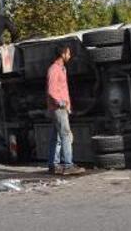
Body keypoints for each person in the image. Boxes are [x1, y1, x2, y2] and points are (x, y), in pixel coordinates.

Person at [46, 44, 85, 175]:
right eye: (68, 53)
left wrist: (68, 105)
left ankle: (53, 165)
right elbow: (52, 90)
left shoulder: (62, 69)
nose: (70, 56)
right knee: (66, 135)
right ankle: (68, 165)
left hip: (61, 108)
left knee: (56, 137)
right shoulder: (54, 69)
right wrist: (62, 103)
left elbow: (63, 89)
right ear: (62, 54)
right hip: (58, 108)